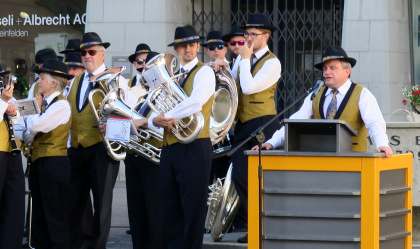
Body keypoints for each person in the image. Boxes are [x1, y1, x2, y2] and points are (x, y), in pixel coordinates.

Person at [253, 46, 393, 158]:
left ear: (347, 71)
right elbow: (295, 121)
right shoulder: (316, 94)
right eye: (325, 69)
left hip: (353, 163)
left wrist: (382, 144)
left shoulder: (362, 94)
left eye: (332, 68)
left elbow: (375, 122)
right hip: (321, 163)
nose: (326, 72)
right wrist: (272, 142)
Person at [66, 31, 135, 249]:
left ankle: (98, 246)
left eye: (92, 52)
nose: (87, 56)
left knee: (102, 204)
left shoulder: (117, 79)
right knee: (76, 202)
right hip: (76, 150)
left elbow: (132, 115)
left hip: (102, 150)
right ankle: (80, 243)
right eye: (84, 52)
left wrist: (112, 127)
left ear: (102, 54)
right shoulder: (75, 81)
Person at [150, 25, 215, 249]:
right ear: (176, 49)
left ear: (198, 46)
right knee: (171, 211)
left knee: (193, 212)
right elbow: (156, 107)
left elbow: (196, 102)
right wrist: (155, 121)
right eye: (183, 45)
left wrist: (166, 116)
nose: (188, 49)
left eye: (192, 44)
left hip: (194, 147)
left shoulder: (205, 71)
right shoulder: (170, 77)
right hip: (170, 148)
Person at [229, 13, 282, 243]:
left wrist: (244, 59)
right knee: (240, 176)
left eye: (253, 35)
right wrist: (223, 69)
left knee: (261, 179)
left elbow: (248, 87)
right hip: (242, 124)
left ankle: (262, 229)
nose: (248, 39)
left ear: (266, 36)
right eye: (246, 34)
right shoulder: (242, 57)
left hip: (264, 124)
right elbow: (232, 85)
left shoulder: (272, 62)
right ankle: (255, 225)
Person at [24, 59, 73, 249]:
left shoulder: (61, 105)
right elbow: (29, 135)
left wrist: (34, 111)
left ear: (53, 83)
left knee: (54, 217)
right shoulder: (46, 105)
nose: (38, 82)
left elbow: (36, 126)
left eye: (42, 78)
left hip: (54, 164)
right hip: (40, 163)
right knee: (40, 217)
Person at [0, 65, 25, 249]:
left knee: (14, 202)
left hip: (11, 153)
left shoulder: (8, 98)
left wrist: (13, 113)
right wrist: (2, 102)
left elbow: (20, 122)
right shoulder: (4, 98)